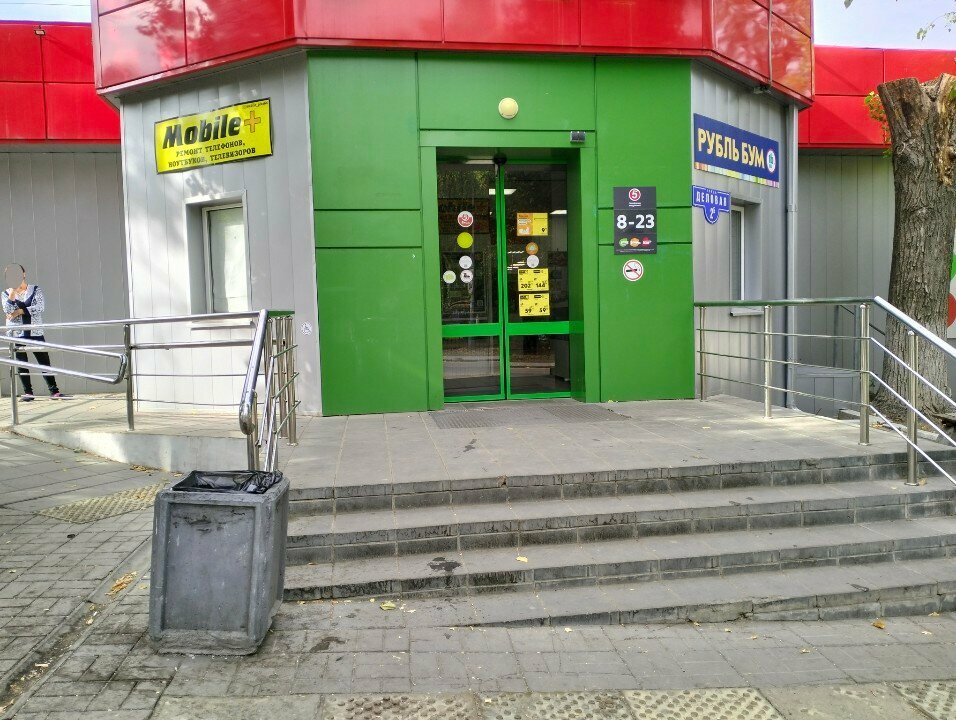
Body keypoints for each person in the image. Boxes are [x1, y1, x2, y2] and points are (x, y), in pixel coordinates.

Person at [2, 264, 65, 401]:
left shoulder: (35, 289)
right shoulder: (6, 293)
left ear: (23, 274)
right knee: (22, 363)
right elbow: (7, 310)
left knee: (43, 361)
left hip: (35, 331)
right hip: (16, 333)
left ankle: (54, 391)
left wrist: (19, 311)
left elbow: (40, 307)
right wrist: (12, 294)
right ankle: (28, 393)